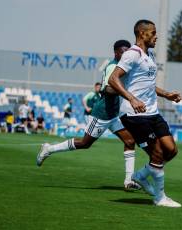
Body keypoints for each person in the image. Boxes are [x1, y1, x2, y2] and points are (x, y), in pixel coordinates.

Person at [37, 39, 141, 190]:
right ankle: (49, 149)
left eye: (128, 52)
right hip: (102, 113)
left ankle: (128, 181)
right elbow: (107, 90)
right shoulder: (112, 67)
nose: (126, 54)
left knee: (130, 141)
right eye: (123, 51)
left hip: (113, 115)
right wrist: (127, 95)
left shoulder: (123, 67)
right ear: (116, 53)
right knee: (85, 143)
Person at [108, 20, 182, 208]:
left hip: (152, 112)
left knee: (171, 150)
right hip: (134, 115)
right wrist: (132, 99)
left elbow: (147, 83)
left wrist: (166, 94)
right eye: (153, 33)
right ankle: (160, 198)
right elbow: (113, 79)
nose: (156, 36)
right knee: (157, 153)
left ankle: (140, 176)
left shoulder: (149, 54)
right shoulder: (131, 54)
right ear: (142, 33)